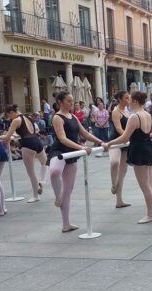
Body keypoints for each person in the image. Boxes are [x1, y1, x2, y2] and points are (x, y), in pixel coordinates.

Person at [45, 92, 103, 232]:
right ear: (60, 102)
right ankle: (57, 196)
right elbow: (62, 138)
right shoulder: (57, 117)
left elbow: (85, 133)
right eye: (69, 101)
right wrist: (82, 147)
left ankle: (66, 224)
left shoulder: (74, 117)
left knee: (68, 190)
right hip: (59, 151)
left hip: (72, 153)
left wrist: (101, 142)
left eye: (72, 101)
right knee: (54, 171)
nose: (72, 103)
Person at [105, 91, 152, 224]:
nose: (129, 101)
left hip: (139, 150)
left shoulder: (134, 117)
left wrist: (109, 143)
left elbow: (124, 137)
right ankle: (151, 199)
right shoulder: (147, 114)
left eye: (130, 99)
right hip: (148, 148)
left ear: (135, 101)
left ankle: (150, 214)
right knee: (147, 180)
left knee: (144, 185)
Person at [0, 105, 48, 203]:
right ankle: (42, 181)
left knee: (31, 172)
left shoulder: (16, 120)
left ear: (11, 113)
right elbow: (32, 130)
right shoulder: (27, 117)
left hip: (28, 144)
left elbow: (7, 136)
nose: (9, 118)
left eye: (9, 116)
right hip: (37, 142)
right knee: (45, 162)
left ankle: (35, 196)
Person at [109, 91, 132, 208]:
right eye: (126, 98)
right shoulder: (115, 111)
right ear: (120, 99)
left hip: (126, 142)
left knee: (123, 171)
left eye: (129, 98)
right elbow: (118, 128)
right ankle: (114, 184)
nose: (129, 100)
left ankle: (119, 200)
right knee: (114, 162)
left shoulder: (128, 111)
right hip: (116, 140)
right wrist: (128, 136)